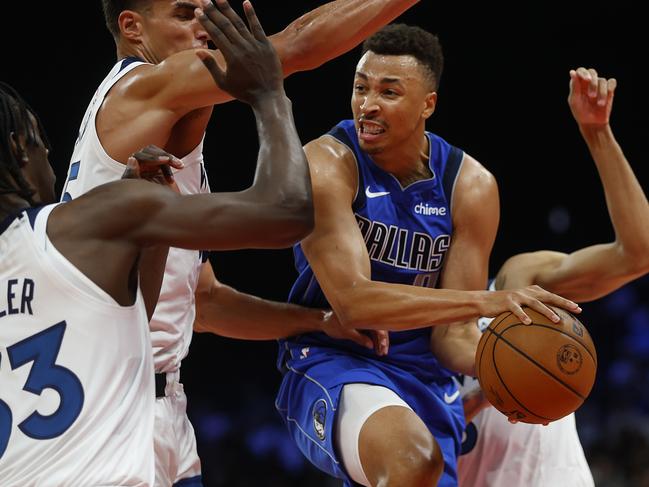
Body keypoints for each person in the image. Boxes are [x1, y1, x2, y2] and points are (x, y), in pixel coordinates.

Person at [61, 0, 420, 485]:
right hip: (110, 404)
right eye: (185, 14)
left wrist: (319, 322)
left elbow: (205, 304)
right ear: (133, 27)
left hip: (159, 405)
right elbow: (292, 48)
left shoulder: (159, 139)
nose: (205, 27)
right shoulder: (142, 85)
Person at [0, 7, 332, 484]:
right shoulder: (86, 218)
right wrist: (268, 94)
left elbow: (175, 303)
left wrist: (316, 323)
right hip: (116, 427)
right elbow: (286, 212)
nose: (49, 151)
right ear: (17, 150)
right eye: (36, 139)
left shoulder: (27, 257)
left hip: (100, 430)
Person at [275, 24, 581, 487]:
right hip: (335, 357)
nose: (368, 104)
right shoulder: (326, 165)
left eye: (388, 91)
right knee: (410, 461)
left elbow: (451, 337)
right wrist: (484, 302)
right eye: (360, 88)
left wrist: (513, 367)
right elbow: (354, 303)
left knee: (419, 466)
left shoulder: (470, 186)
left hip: (425, 375)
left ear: (428, 105)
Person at [457, 67, 649, 487]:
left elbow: (637, 252)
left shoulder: (516, 281)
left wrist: (598, 134)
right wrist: (477, 399)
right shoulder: (397, 339)